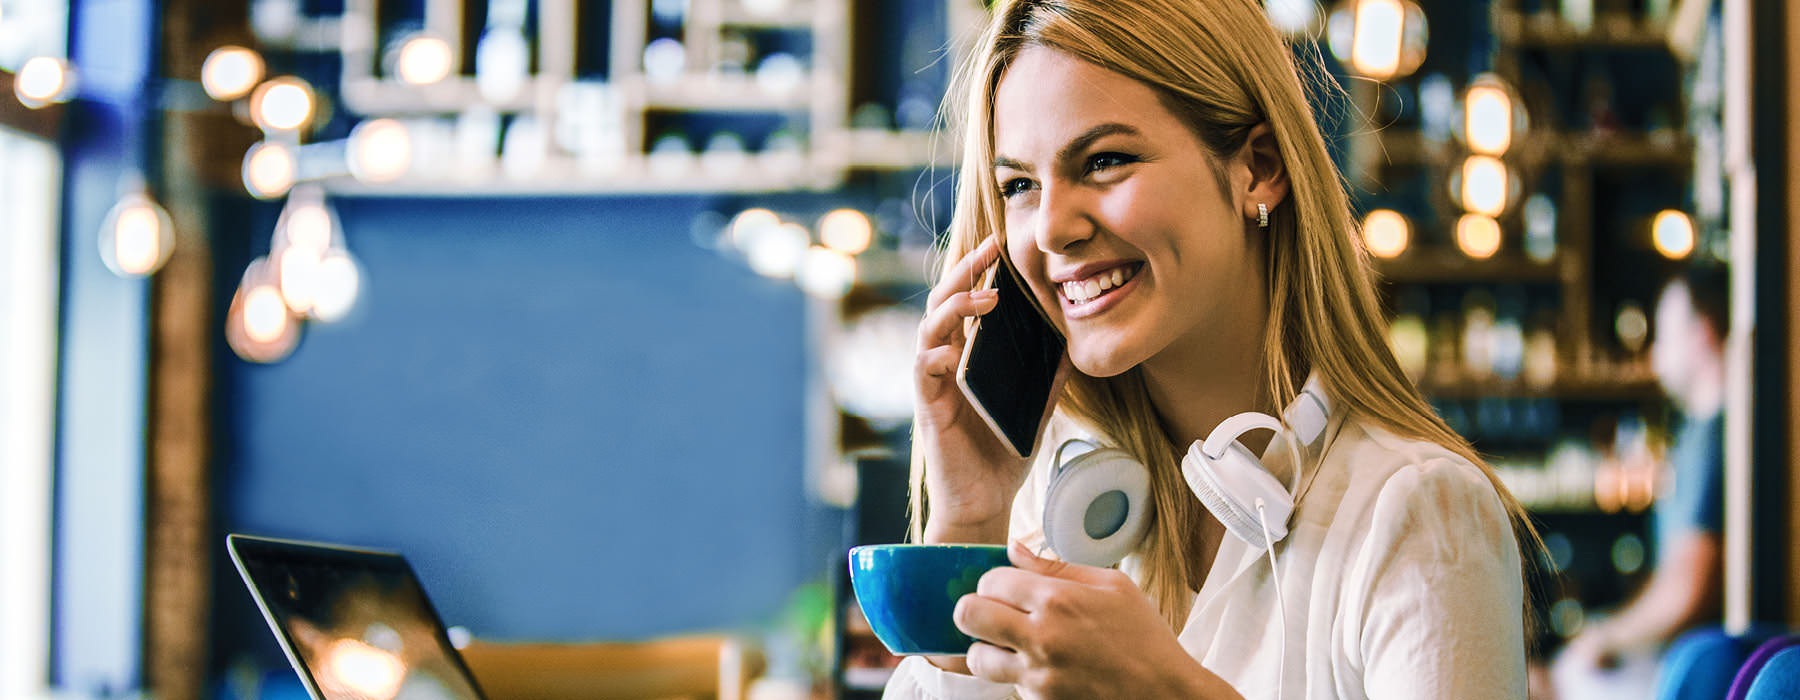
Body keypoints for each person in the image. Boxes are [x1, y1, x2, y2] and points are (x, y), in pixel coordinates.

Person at [889, 1, 1544, 698]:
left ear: (1257, 168)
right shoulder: (1050, 523)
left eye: (1105, 160)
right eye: (1019, 185)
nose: (1051, 229)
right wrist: (969, 519)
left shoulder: (1416, 512)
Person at [1550, 268, 1728, 697]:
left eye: (1665, 334)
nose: (1655, 351)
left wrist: (1604, 636)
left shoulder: (1716, 439)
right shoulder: (1700, 434)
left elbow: (1687, 594)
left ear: (1702, 334)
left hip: (1703, 667)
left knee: (1562, 680)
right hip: (1690, 659)